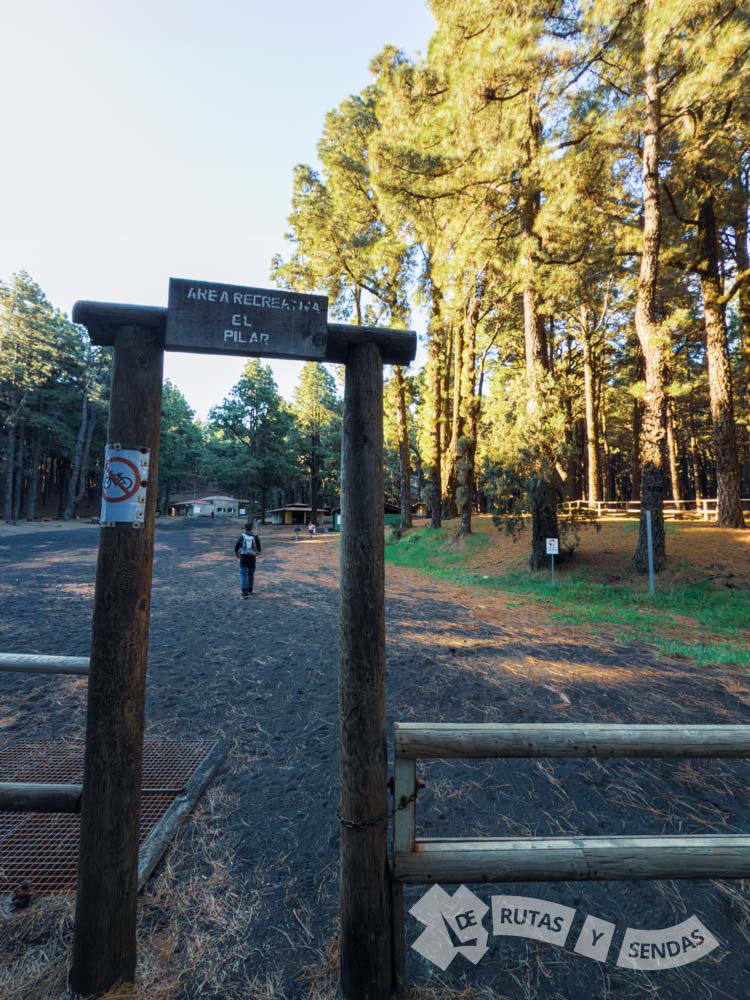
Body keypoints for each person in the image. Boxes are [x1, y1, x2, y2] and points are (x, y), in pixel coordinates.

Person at [234, 521, 261, 598]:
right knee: (251, 574)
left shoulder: (242, 536)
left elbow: (237, 546)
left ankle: (244, 593)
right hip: (252, 557)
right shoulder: (255, 536)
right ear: (251, 528)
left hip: (243, 557)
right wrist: (257, 551)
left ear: (245, 528)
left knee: (243, 575)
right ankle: (250, 590)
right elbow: (259, 548)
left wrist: (237, 553)